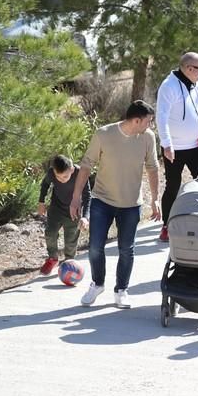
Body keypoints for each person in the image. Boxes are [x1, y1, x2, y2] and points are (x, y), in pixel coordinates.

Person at [71, 100, 160, 309]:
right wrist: (76, 197)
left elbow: (153, 168)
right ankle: (97, 283)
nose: (150, 126)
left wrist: (155, 198)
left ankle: (121, 290)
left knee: (126, 249)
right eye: (148, 121)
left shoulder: (147, 137)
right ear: (137, 120)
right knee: (94, 247)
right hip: (102, 200)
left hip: (131, 204)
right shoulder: (104, 134)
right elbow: (85, 166)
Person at [156, 52, 198, 242]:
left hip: (197, 145)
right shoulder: (168, 86)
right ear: (190, 69)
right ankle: (167, 226)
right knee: (172, 186)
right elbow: (162, 117)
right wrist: (166, 144)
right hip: (174, 148)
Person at [38, 155, 91, 275]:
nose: (61, 179)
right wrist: (41, 201)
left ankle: (69, 261)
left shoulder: (80, 174)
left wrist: (85, 217)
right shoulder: (52, 172)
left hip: (74, 211)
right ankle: (52, 258)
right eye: (58, 177)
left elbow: (88, 196)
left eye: (65, 176)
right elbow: (45, 184)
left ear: (72, 169)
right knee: (50, 233)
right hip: (56, 208)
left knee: (71, 239)